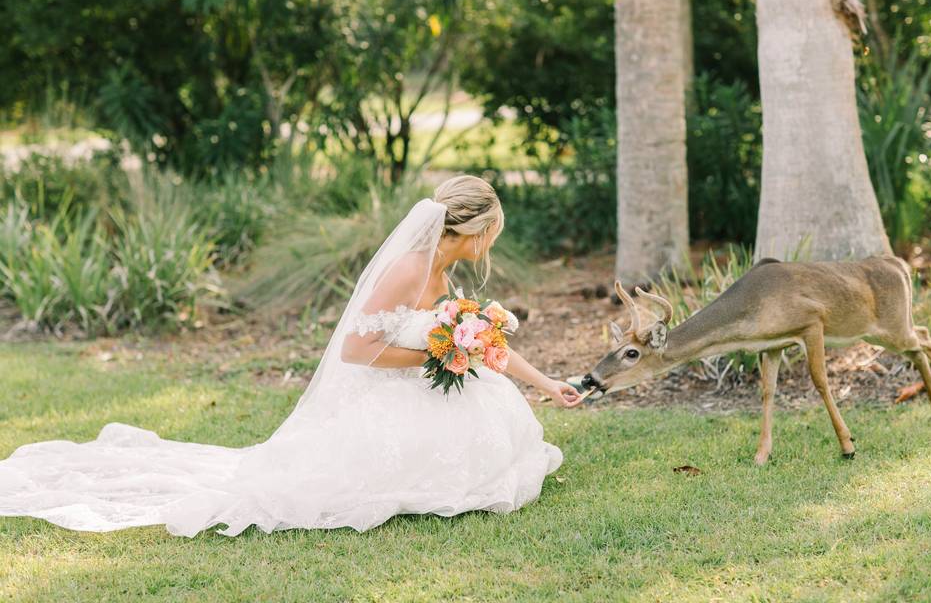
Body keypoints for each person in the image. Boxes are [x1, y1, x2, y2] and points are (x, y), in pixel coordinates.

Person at [0, 175, 584, 536]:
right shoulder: (409, 269)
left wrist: (546, 382)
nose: (495, 241)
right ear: (475, 230)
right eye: (494, 231)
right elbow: (358, 350)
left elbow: (483, 343)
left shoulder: (446, 269)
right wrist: (439, 359)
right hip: (388, 393)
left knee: (492, 421)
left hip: (429, 381)